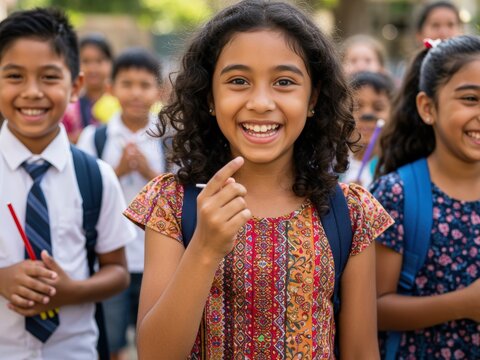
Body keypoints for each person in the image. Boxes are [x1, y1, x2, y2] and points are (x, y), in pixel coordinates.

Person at [123, 1, 394, 358]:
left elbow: (361, 351)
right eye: (238, 81)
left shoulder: (351, 212)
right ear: (209, 96)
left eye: (284, 82)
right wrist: (204, 249)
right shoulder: (173, 204)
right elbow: (155, 353)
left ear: (313, 97)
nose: (262, 102)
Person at [0, 8, 135, 359]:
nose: (32, 92)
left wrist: (71, 290)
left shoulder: (97, 176)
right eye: (14, 76)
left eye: (48, 77)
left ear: (75, 85)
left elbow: (118, 271)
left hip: (74, 351)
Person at [371, 35, 480, 359]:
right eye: (471, 98)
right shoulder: (396, 194)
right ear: (428, 107)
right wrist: (463, 304)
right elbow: (371, 308)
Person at [77, 47, 167, 360]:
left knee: (156, 341)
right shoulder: (94, 137)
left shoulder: (170, 138)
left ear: (158, 91)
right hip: (112, 259)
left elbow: (182, 196)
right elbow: (82, 193)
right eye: (127, 84)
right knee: (112, 341)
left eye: (144, 85)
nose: (136, 93)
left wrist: (147, 171)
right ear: (111, 88)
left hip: (159, 257)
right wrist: (116, 172)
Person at [341, 71, 395, 187]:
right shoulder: (330, 161)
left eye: (378, 108)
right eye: (358, 106)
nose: (367, 114)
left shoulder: (394, 166)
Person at [62, 33, 116, 143]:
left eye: (99, 61)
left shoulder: (122, 103)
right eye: (86, 61)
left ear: (111, 63)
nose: (93, 68)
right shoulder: (68, 106)